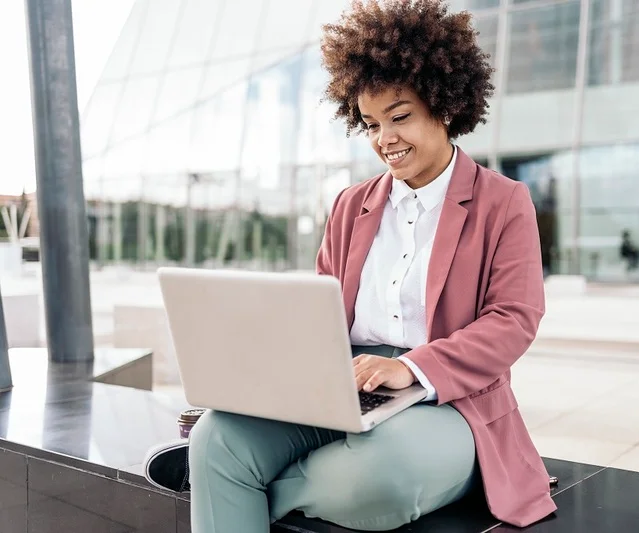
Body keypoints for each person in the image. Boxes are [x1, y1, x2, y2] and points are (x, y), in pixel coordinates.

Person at [143, 1, 557, 531]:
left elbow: (514, 318)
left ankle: (227, 483)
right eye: (371, 123)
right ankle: (219, 469)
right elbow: (319, 310)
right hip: (344, 384)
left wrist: (412, 366)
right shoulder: (349, 205)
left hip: (450, 399)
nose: (385, 138)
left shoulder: (504, 201)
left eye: (400, 116)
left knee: (373, 479)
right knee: (216, 439)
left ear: (445, 106)